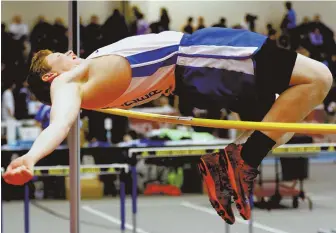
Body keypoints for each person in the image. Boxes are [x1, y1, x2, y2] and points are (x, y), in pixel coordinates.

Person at [3, 27, 333, 224]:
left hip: (193, 72)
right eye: (60, 54)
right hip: (196, 55)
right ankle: (239, 160)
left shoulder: (90, 78)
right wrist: (31, 157)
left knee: (282, 116)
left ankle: (230, 162)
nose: (71, 52)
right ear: (50, 76)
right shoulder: (69, 83)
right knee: (319, 77)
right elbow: (60, 123)